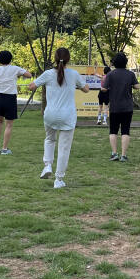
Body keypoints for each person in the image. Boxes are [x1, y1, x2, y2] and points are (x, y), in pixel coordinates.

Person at [28, 47, 89, 188]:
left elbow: (32, 86)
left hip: (50, 114)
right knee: (64, 148)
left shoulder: (48, 74)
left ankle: (47, 165)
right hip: (68, 115)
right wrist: (80, 84)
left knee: (49, 139)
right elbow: (86, 89)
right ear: (68, 59)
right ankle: (59, 179)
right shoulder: (73, 74)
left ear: (55, 59)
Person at [0, 50, 32, 155]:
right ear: (10, 59)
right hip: (10, 98)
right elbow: (29, 75)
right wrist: (18, 74)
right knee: (9, 125)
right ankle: (4, 149)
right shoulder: (15, 69)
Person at [101, 52, 140, 162]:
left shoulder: (110, 74)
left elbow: (103, 88)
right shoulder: (130, 74)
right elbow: (137, 86)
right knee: (125, 131)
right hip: (127, 107)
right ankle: (123, 155)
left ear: (114, 63)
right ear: (125, 63)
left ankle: (114, 154)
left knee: (113, 131)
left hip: (114, 107)